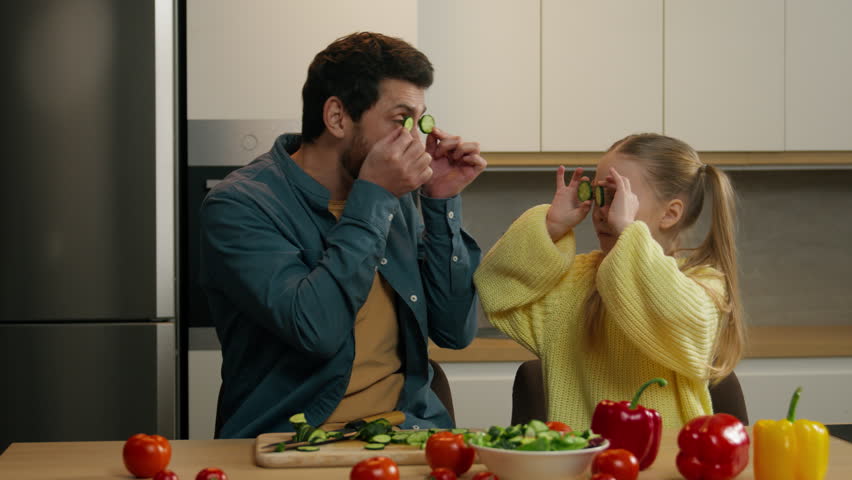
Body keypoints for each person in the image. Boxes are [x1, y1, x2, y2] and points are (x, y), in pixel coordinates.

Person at [200, 32, 487, 438]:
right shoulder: (240, 206)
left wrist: (440, 204)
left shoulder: (394, 198)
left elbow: (455, 331)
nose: (416, 138)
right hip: (291, 442)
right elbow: (316, 331)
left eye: (420, 119)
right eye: (400, 118)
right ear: (337, 117)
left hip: (407, 435)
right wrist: (375, 197)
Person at [474, 133, 745, 429]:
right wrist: (550, 225)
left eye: (616, 197)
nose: (602, 212)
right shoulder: (577, 283)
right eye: (597, 194)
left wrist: (629, 235)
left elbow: (682, 322)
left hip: (669, 465)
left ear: (670, 214)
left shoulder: (703, 284)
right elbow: (497, 289)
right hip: (583, 466)